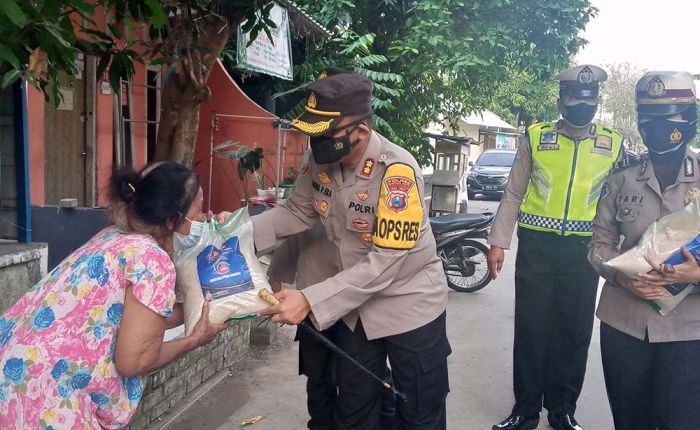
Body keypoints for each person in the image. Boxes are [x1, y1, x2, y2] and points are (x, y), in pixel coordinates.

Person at [255, 69, 450, 430]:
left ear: (360, 129)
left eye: (327, 133)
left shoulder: (397, 172)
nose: (318, 142)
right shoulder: (320, 161)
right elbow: (297, 210)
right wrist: (231, 239)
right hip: (354, 305)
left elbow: (386, 261)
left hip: (408, 303)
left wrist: (310, 300)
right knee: (356, 409)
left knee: (419, 411)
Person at [0, 162, 228, 428]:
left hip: (15, 376)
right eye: (199, 212)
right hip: (45, 397)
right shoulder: (151, 260)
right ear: (170, 219)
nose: (204, 219)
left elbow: (132, 321)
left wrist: (199, 310)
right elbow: (134, 360)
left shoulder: (114, 238)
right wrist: (194, 340)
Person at [487, 65, 626, 430]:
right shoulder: (536, 137)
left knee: (573, 329)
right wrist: (498, 242)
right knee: (532, 328)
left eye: (588, 97)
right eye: (574, 97)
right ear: (561, 99)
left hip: (584, 251)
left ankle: (563, 409)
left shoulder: (613, 143)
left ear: (597, 100)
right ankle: (525, 409)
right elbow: (514, 192)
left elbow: (620, 206)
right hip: (537, 245)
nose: (581, 103)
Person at [588, 71, 700, 430]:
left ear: (690, 121)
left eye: (666, 119)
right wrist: (621, 278)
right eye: (647, 120)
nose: (655, 128)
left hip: (689, 331)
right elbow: (598, 246)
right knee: (629, 421)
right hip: (625, 325)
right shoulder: (621, 179)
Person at [267, 222, 342, 430]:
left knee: (358, 377)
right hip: (310, 302)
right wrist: (276, 278)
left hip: (354, 305)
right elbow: (290, 230)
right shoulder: (310, 194)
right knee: (317, 376)